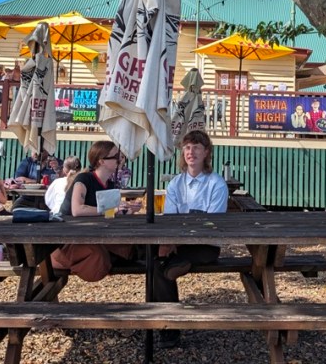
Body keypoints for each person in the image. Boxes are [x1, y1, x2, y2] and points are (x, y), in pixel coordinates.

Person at [152, 130, 228, 348]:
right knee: (155, 264)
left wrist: (175, 241)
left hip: (205, 245)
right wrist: (169, 241)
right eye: (187, 147)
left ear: (206, 152)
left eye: (196, 147)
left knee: (161, 266)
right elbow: (170, 219)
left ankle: (169, 331)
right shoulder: (175, 184)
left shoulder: (216, 184)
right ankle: (166, 327)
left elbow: (211, 224)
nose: (190, 152)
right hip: (178, 243)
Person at [52, 141, 142, 282]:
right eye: (116, 156)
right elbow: (77, 210)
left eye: (121, 156)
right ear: (101, 161)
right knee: (99, 257)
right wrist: (113, 210)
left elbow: (107, 214)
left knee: (130, 247)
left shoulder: (110, 185)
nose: (120, 159)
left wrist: (125, 211)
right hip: (68, 240)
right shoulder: (84, 179)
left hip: (92, 236)